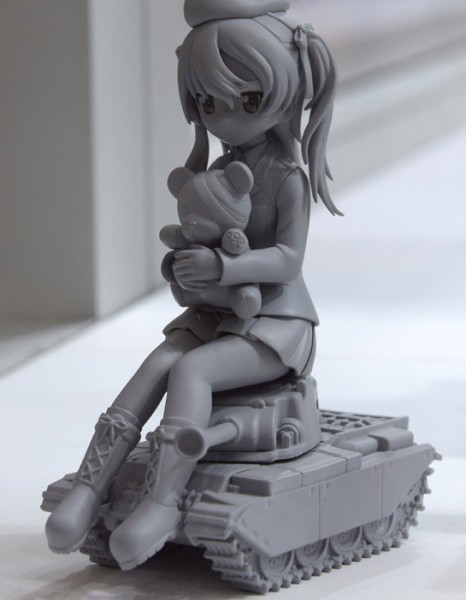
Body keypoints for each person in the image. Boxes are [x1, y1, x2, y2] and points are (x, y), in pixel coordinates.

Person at [45, 0, 339, 571]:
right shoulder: (219, 169)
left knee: (191, 371)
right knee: (158, 362)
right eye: (206, 102)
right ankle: (89, 484)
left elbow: (287, 260)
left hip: (277, 325)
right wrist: (184, 265)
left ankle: (163, 501)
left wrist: (222, 269)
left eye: (246, 99)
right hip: (216, 312)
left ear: (288, 91)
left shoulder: (287, 178)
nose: (223, 117)